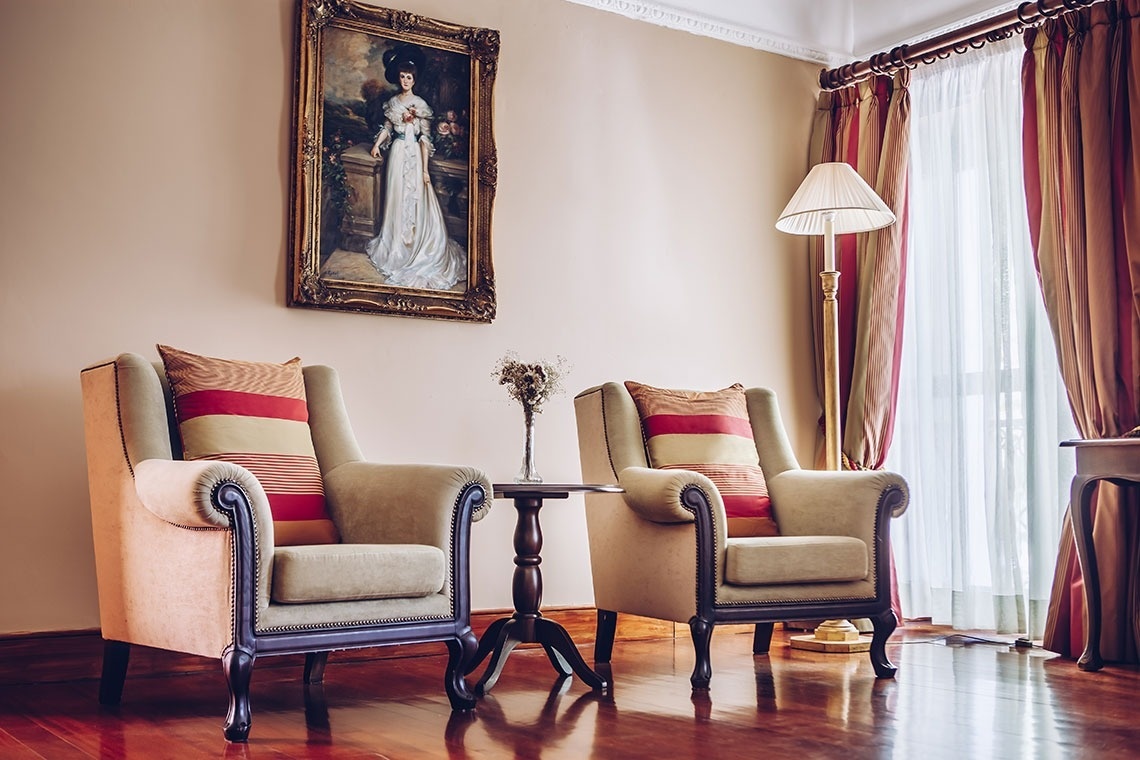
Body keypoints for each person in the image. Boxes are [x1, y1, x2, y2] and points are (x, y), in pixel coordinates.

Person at [365, 48, 466, 291]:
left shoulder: (420, 105)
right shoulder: (391, 103)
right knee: (397, 197)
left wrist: (424, 171)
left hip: (414, 156)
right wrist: (377, 145)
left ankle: (417, 245)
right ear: (397, 78)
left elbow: (425, 139)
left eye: (409, 77)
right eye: (402, 76)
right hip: (397, 154)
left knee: (416, 198)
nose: (405, 80)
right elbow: (388, 127)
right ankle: (397, 245)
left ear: (414, 78)